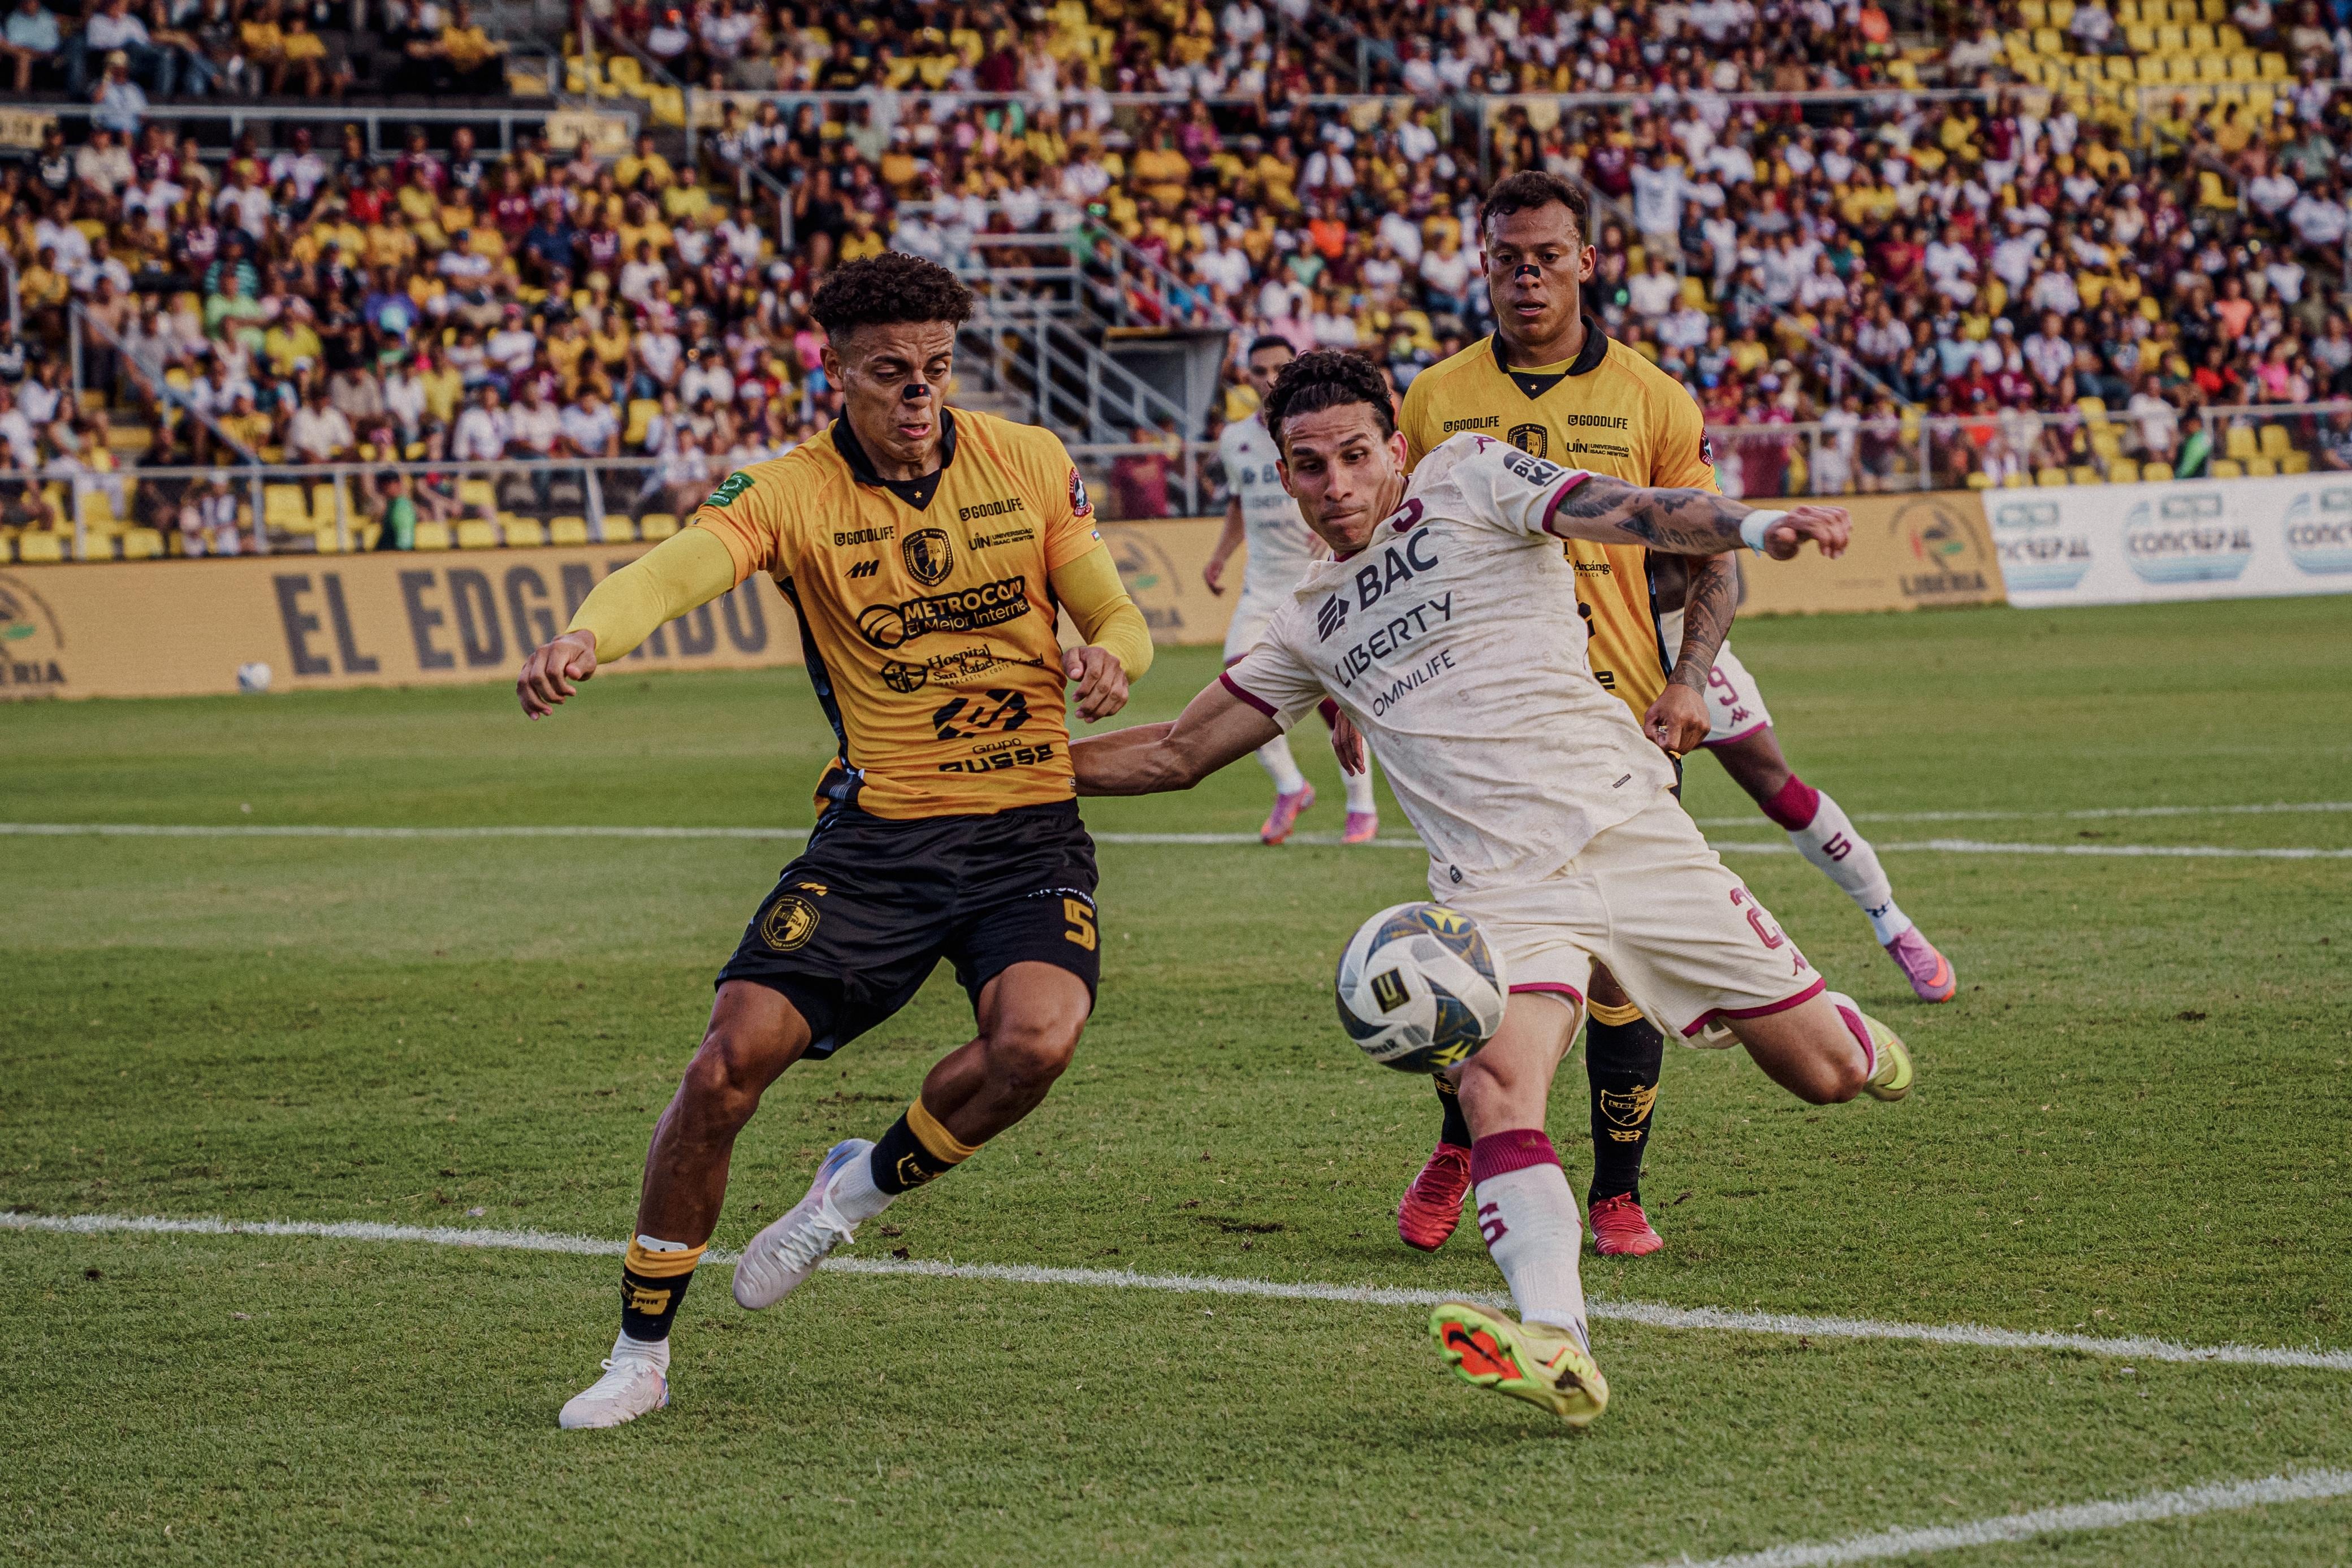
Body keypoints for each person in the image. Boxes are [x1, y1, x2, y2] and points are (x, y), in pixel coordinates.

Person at [1070, 349, 1910, 1428]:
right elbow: (1175, 752)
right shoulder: (1307, 623)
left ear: (1398, 449)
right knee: (1495, 1091)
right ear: (1282, 476)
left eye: (1356, 455)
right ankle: (1559, 1341)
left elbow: (1632, 509)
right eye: (1309, 465)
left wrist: (1751, 526)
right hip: (1501, 896)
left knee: (1829, 1076)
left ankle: (1854, 1031)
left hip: (1631, 830)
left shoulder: (1471, 473)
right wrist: (1000, 770)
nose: (1335, 483)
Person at [514, 253, 1155, 1431]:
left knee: (1036, 1047)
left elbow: (1111, 608)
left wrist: (1115, 652)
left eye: (935, 370)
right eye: (889, 373)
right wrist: (584, 636)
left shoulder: (1025, 459)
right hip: (879, 841)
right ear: (835, 369)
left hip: (1024, 831)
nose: (918, 396)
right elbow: (672, 573)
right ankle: (639, 1353)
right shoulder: (786, 492)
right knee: (724, 1069)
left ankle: (846, 1194)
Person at [1389, 172, 1956, 1262]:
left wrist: (1691, 675)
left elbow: (1709, 560)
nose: (1525, 275)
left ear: (1589, 261)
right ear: (1482, 264)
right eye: (1506, 256)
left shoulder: (1653, 398)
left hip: (1619, 724)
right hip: (1484, 735)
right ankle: (1463, 1142)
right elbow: (1403, 558)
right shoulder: (1433, 398)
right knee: (1501, 970)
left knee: (1618, 969)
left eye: (1547, 254)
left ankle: (1615, 1189)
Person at [1207, 335, 1381, 845]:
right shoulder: (1234, 440)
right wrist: (1219, 556)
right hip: (1262, 591)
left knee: (1338, 706)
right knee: (1238, 692)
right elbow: (1239, 505)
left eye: (1279, 367)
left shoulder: (1315, 431)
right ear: (1247, 373)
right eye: (1259, 369)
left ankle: (1362, 807)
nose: (1268, 378)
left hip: (1318, 584)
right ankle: (1290, 787)